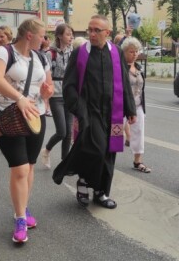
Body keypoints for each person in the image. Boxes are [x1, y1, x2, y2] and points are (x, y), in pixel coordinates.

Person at [52, 15, 137, 210]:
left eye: (96, 30)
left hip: (113, 112)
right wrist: (80, 110)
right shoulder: (80, 53)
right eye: (89, 29)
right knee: (97, 149)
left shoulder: (116, 52)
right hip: (90, 111)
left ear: (107, 33)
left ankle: (101, 191)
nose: (91, 33)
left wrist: (130, 109)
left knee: (109, 152)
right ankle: (84, 181)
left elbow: (124, 82)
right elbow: (70, 85)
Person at [0, 18, 53, 243]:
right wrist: (20, 98)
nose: (44, 40)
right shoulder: (5, 52)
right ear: (29, 36)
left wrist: (46, 94)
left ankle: (23, 207)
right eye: (42, 35)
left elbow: (48, 87)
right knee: (20, 169)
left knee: (30, 166)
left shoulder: (41, 57)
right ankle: (20, 218)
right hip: (11, 117)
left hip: (36, 118)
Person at [40, 23, 74, 169]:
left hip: (70, 93)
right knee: (62, 131)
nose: (71, 37)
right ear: (59, 36)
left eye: (71, 34)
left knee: (68, 133)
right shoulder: (50, 53)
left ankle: (65, 161)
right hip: (56, 95)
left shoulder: (72, 52)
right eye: (68, 34)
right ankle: (46, 150)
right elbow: (45, 75)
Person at [122, 37, 151, 173]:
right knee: (113, 133)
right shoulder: (120, 67)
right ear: (124, 52)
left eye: (136, 51)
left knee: (139, 132)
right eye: (131, 51)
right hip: (121, 107)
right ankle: (106, 159)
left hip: (137, 105)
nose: (134, 54)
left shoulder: (138, 67)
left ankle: (138, 161)